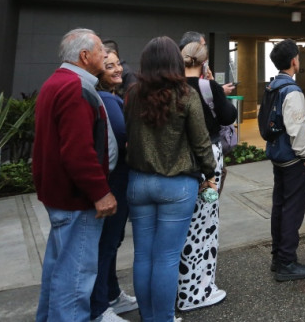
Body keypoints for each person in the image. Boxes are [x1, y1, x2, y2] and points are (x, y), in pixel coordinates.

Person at [125, 36, 217, 322]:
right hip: (177, 185)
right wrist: (210, 174)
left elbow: (127, 133)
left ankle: (148, 317)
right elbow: (201, 142)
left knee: (143, 256)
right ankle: (162, 319)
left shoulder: (132, 94)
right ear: (176, 62)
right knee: (166, 258)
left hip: (139, 182)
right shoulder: (186, 95)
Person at [33, 29, 117, 322]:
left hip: (61, 196)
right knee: (75, 277)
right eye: (100, 52)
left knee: (59, 270)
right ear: (84, 56)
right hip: (76, 200)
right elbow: (78, 151)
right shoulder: (75, 88)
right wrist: (100, 192)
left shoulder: (57, 82)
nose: (105, 56)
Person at [176, 41, 236, 311]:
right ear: (205, 61)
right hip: (207, 159)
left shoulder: (171, 87)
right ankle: (196, 291)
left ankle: (179, 288)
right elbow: (228, 116)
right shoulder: (207, 87)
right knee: (205, 223)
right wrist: (214, 87)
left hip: (178, 159)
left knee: (182, 226)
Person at [90, 47, 137, 322]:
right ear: (98, 72)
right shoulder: (108, 101)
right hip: (114, 181)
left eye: (118, 63)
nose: (117, 69)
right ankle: (99, 307)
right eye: (109, 66)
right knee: (107, 243)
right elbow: (124, 139)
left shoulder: (111, 98)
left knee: (111, 242)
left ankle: (111, 293)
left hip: (117, 180)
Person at [265, 39, 305, 281]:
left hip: (277, 156)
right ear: (294, 60)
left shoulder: (272, 86)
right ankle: (287, 262)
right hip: (293, 159)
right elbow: (296, 128)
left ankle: (278, 256)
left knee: (280, 207)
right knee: (292, 210)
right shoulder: (292, 90)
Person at [178, 31, 235, 96]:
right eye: (203, 46)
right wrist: (220, 91)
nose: (205, 49)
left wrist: (212, 83)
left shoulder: (204, 73)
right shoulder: (177, 77)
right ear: (193, 48)